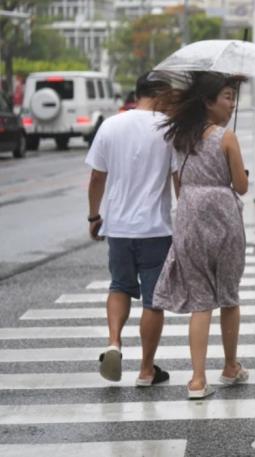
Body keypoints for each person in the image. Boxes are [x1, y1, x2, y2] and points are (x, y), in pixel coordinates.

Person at [153, 71, 249, 400]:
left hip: (189, 214)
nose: (232, 103)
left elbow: (178, 183)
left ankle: (196, 379)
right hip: (223, 214)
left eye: (233, 97)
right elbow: (241, 186)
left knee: (201, 301)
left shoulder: (180, 137)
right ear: (209, 102)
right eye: (227, 97)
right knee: (228, 295)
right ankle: (231, 366)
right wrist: (241, 171)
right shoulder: (227, 137)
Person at [86, 72, 178, 386]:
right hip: (155, 229)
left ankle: (114, 342)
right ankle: (146, 370)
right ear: (161, 94)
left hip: (119, 228)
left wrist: (93, 216)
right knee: (154, 301)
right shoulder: (169, 129)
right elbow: (179, 181)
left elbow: (97, 178)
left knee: (119, 286)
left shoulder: (111, 125)